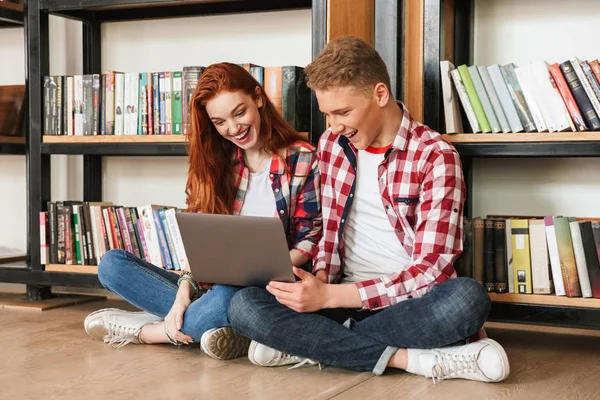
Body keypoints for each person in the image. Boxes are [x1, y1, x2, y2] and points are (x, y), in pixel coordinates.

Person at [228, 36, 510, 383]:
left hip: (406, 304)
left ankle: (313, 347)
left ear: (380, 94)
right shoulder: (331, 144)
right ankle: (411, 359)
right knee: (244, 306)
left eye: (343, 112)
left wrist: (328, 297)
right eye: (327, 114)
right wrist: (312, 285)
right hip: (334, 300)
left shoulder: (435, 155)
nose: (334, 126)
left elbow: (430, 271)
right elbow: (325, 234)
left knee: (467, 300)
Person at [83, 63, 321, 361]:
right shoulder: (216, 163)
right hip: (211, 285)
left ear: (258, 98)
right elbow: (202, 245)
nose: (233, 129)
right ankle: (212, 326)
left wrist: (261, 272)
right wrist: (183, 292)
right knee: (111, 265)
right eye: (220, 122)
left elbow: (311, 239)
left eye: (239, 113)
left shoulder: (302, 159)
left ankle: (148, 331)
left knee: (229, 298)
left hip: (264, 289)